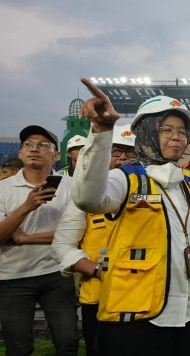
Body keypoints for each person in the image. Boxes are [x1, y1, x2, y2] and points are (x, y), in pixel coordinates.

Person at [71, 80, 190, 356]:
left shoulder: (187, 184)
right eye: (167, 129)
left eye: (182, 131)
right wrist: (102, 132)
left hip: (187, 314)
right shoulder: (125, 179)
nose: (177, 137)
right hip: (136, 319)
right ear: (148, 132)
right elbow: (88, 198)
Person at [0, 125, 79, 356]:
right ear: (20, 153)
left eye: (43, 144)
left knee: (68, 342)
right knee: (18, 348)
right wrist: (27, 206)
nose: (34, 149)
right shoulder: (0, 190)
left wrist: (24, 238)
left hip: (58, 273)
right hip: (12, 277)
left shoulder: (72, 187)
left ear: (56, 155)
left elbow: (77, 233)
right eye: (28, 144)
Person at [52, 124, 136, 356]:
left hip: (143, 296)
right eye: (116, 151)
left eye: (131, 152)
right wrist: (96, 270)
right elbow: (61, 245)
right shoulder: (85, 199)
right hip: (98, 297)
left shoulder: (153, 193)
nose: (123, 159)